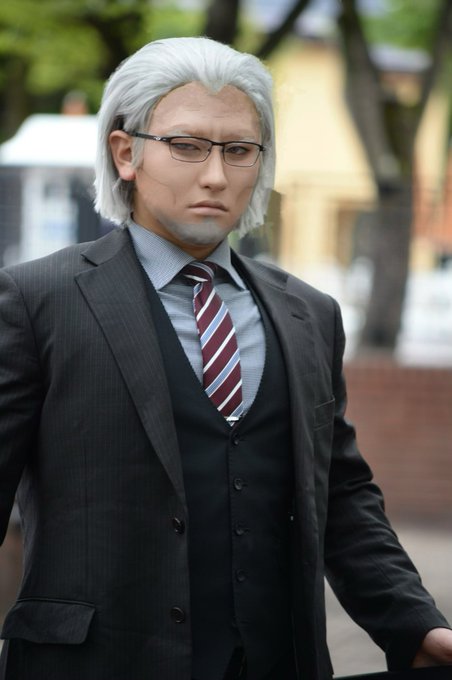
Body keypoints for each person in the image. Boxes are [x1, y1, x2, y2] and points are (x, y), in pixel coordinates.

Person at [0, 37, 451, 680]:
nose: (216, 175)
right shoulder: (36, 300)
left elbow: (340, 496)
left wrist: (415, 625)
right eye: (187, 146)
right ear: (126, 153)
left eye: (239, 150)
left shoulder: (310, 314)